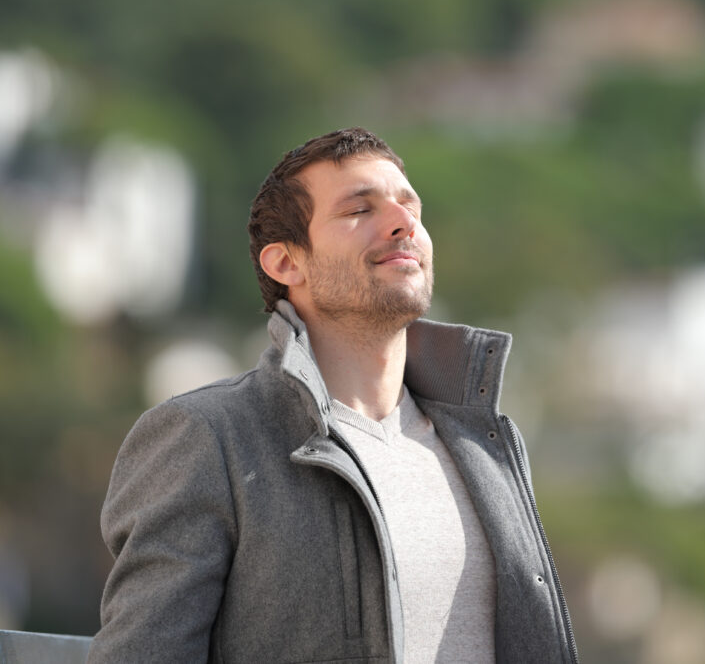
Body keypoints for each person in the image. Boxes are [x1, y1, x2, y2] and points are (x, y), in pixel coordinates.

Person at [88, 127, 578, 663]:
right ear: (285, 264)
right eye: (358, 211)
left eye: (409, 204)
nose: (403, 222)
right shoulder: (208, 437)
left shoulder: (486, 444)